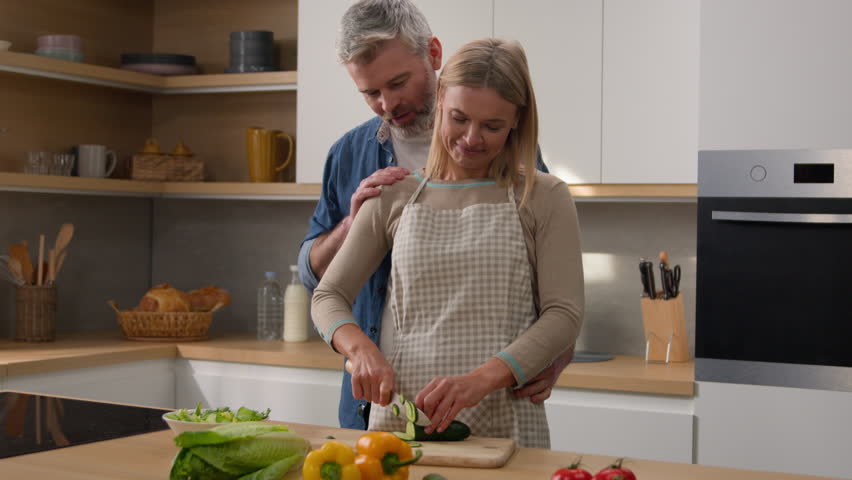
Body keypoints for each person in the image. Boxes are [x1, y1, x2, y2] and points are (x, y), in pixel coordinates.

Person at [298, 0, 573, 431]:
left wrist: (547, 354)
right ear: (446, 102)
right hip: (392, 407)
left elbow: (558, 303)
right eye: (370, 93)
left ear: (434, 59)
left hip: (504, 410)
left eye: (398, 82)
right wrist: (360, 349)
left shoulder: (539, 190)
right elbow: (320, 286)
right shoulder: (374, 177)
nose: (472, 139)